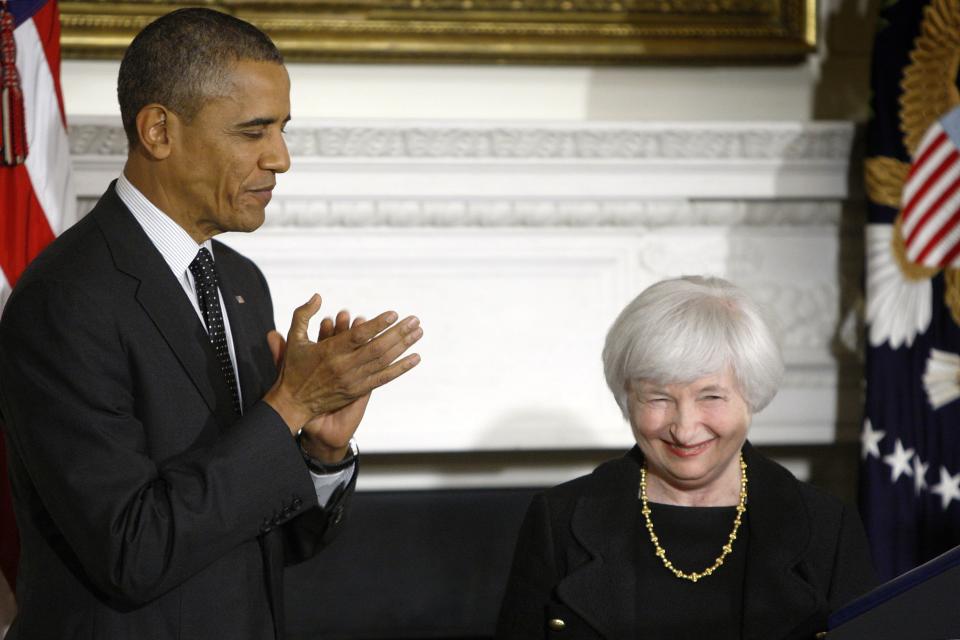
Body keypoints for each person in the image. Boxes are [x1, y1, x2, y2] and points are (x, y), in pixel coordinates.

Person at [0, 8, 423, 639]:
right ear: (158, 131)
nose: (280, 158)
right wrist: (287, 407)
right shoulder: (64, 299)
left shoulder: (241, 282)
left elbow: (273, 537)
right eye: (253, 132)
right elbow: (131, 552)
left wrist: (320, 447)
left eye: (282, 129)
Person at [496, 276, 877, 640]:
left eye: (711, 396)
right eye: (658, 398)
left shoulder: (828, 527)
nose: (684, 427)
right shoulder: (557, 521)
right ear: (627, 398)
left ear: (752, 394)